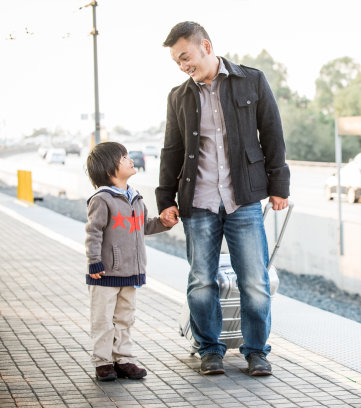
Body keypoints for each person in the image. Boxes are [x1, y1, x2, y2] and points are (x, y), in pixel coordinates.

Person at [156, 21, 290, 376]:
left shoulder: (252, 80)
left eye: (185, 56)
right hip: (197, 203)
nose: (183, 65)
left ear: (206, 46)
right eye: (177, 62)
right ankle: (209, 350)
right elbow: (171, 150)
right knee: (202, 280)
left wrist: (279, 186)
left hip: (243, 199)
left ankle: (257, 351)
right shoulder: (179, 97)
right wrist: (165, 199)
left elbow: (272, 133)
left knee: (255, 281)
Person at [85, 141, 178, 381]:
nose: (130, 160)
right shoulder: (102, 199)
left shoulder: (135, 197)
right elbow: (93, 232)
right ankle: (103, 362)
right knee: (103, 319)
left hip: (131, 272)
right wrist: (94, 261)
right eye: (124, 157)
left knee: (125, 318)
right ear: (109, 170)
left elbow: (144, 226)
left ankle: (123, 359)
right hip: (104, 273)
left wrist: (163, 222)